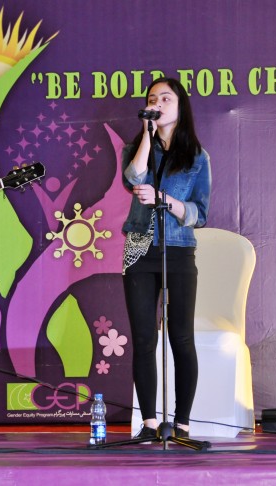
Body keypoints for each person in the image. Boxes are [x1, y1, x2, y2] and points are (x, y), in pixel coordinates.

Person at [121, 77, 211, 440]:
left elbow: (200, 213)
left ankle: (183, 424)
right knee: (144, 338)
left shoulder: (198, 157)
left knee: (181, 338)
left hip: (178, 250)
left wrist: (165, 200)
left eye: (166, 98)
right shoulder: (137, 146)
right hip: (139, 249)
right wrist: (148, 132)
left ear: (181, 106)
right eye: (152, 99)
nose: (158, 103)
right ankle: (149, 424)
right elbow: (133, 176)